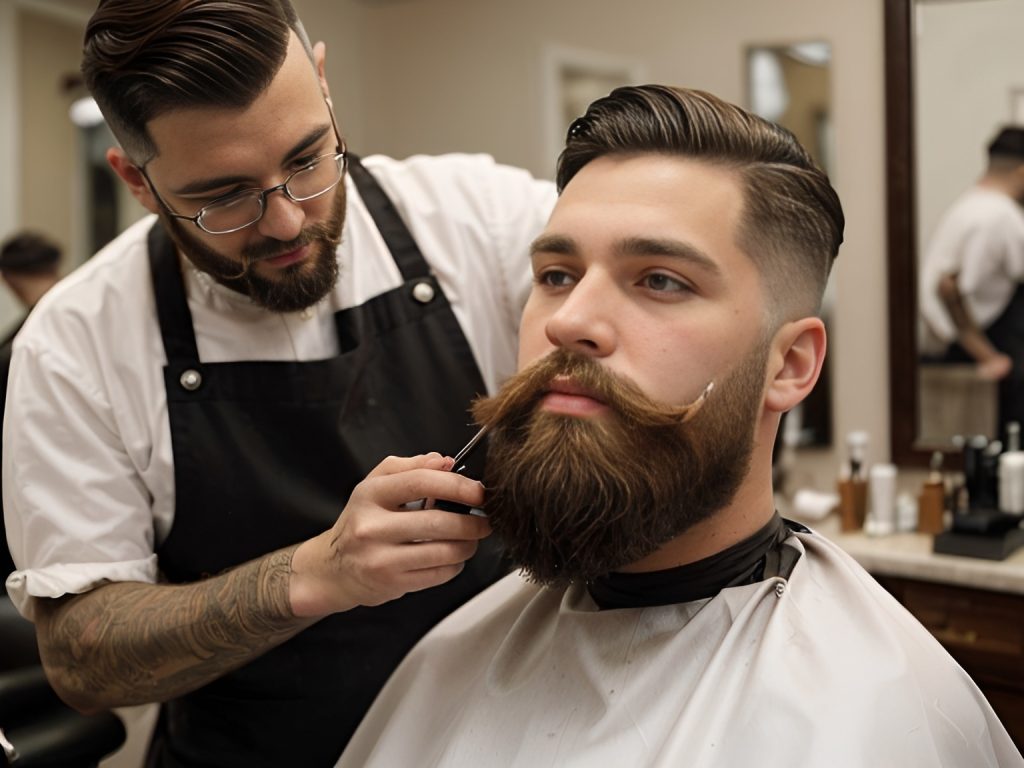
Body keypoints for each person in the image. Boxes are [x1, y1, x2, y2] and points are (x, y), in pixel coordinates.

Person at [336, 86, 1022, 767]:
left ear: (788, 365)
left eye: (660, 280)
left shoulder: (877, 720)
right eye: (555, 273)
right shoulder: (454, 655)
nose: (569, 320)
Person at [2, 1, 554, 765]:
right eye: (224, 196)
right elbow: (81, 661)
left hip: (503, 736)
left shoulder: (478, 219)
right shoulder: (75, 344)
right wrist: (317, 573)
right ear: (136, 179)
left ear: (323, 88)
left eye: (307, 159)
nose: (289, 222)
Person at [918, 126, 1024, 434]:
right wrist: (988, 355)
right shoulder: (1000, 216)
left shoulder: (967, 206)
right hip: (981, 351)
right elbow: (949, 289)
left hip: (954, 348)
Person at [0, 232, 63, 578]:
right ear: (55, 266)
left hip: (32, 486)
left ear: (6, 278)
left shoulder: (24, 343)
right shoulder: (81, 323)